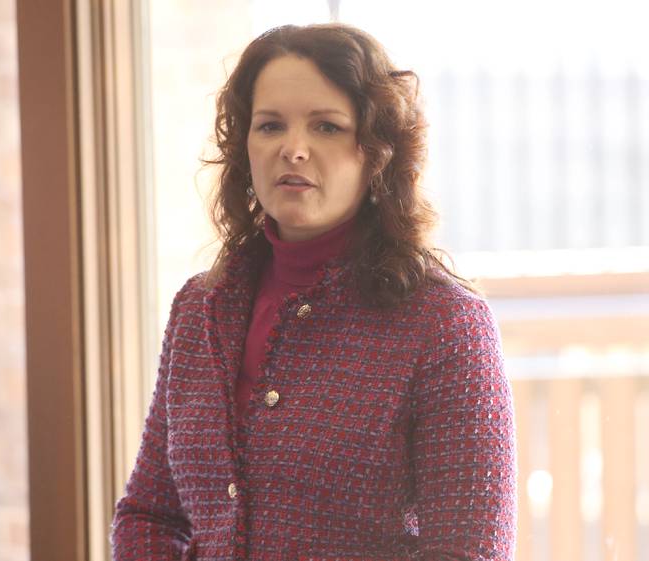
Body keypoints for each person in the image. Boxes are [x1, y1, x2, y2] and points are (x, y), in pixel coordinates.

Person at [111, 23, 516, 561]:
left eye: (326, 127)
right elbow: (150, 514)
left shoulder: (444, 324)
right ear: (244, 147)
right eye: (270, 125)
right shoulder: (200, 306)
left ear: (376, 153)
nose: (293, 150)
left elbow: (468, 552)